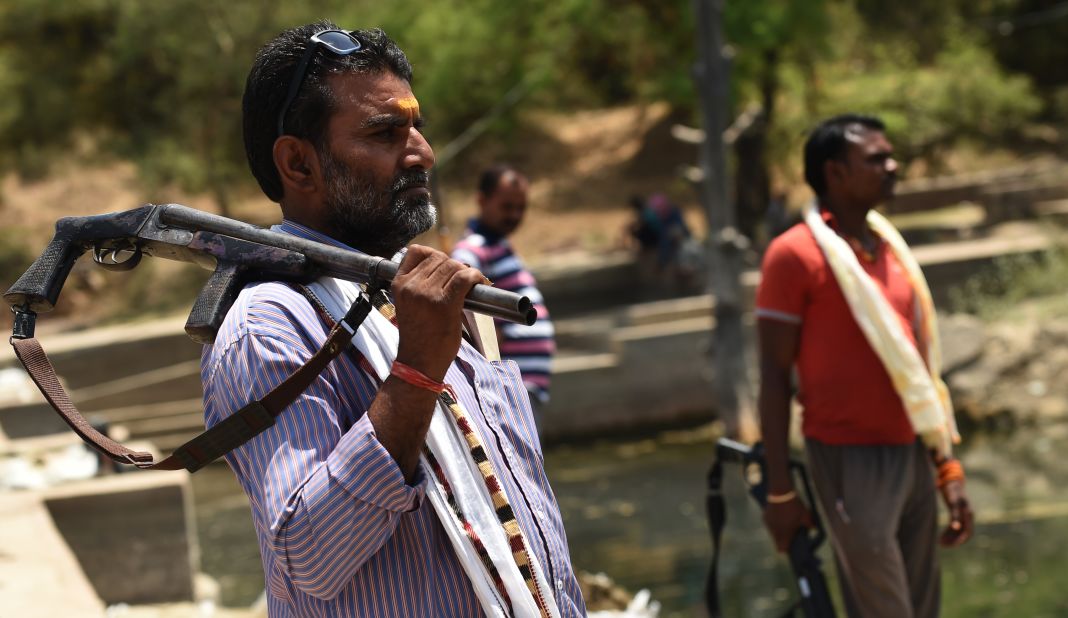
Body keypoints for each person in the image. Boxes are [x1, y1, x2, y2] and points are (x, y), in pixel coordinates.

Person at [201, 22, 585, 617]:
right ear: (299, 164)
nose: (422, 154)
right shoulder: (270, 324)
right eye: (385, 133)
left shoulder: (410, 292)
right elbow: (308, 557)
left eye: (417, 129)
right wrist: (414, 375)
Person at [755, 114, 974, 618]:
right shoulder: (794, 256)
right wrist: (780, 492)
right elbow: (772, 377)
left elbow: (920, 371)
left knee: (922, 609)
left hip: (913, 453)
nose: (892, 167)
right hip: (848, 459)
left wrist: (947, 468)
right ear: (835, 173)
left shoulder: (890, 248)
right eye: (877, 159)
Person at [450, 165, 556, 409]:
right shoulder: (474, 247)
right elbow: (458, 295)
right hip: (509, 386)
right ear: (482, 200)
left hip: (524, 384)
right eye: (507, 207)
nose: (515, 215)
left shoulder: (499, 247)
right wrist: (491, 338)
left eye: (521, 208)